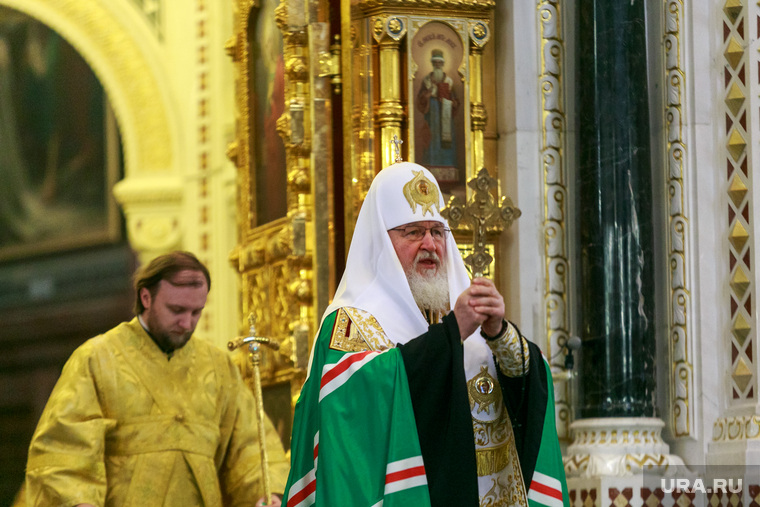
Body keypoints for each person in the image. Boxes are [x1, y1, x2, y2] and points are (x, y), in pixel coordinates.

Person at [284, 163, 568, 507]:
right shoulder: (350, 320)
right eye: (413, 232)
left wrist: (498, 333)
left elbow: (525, 393)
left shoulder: (454, 312)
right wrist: (451, 336)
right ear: (382, 242)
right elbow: (349, 411)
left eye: (438, 231)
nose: (430, 244)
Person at [25, 251, 289, 507]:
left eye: (196, 312)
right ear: (146, 297)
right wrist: (79, 501)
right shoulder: (97, 359)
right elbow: (63, 450)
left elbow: (250, 447)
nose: (187, 323)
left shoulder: (219, 368)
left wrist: (265, 494)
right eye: (176, 310)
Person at [416, 49, 459, 171]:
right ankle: (430, 172)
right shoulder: (427, 80)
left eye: (440, 63)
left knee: (446, 144)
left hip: (445, 116)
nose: (437, 65)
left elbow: (456, 101)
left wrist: (449, 103)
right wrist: (427, 96)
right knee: (432, 142)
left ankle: (448, 172)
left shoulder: (449, 81)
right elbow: (420, 99)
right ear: (432, 64)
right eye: (435, 63)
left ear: (443, 64)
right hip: (432, 116)